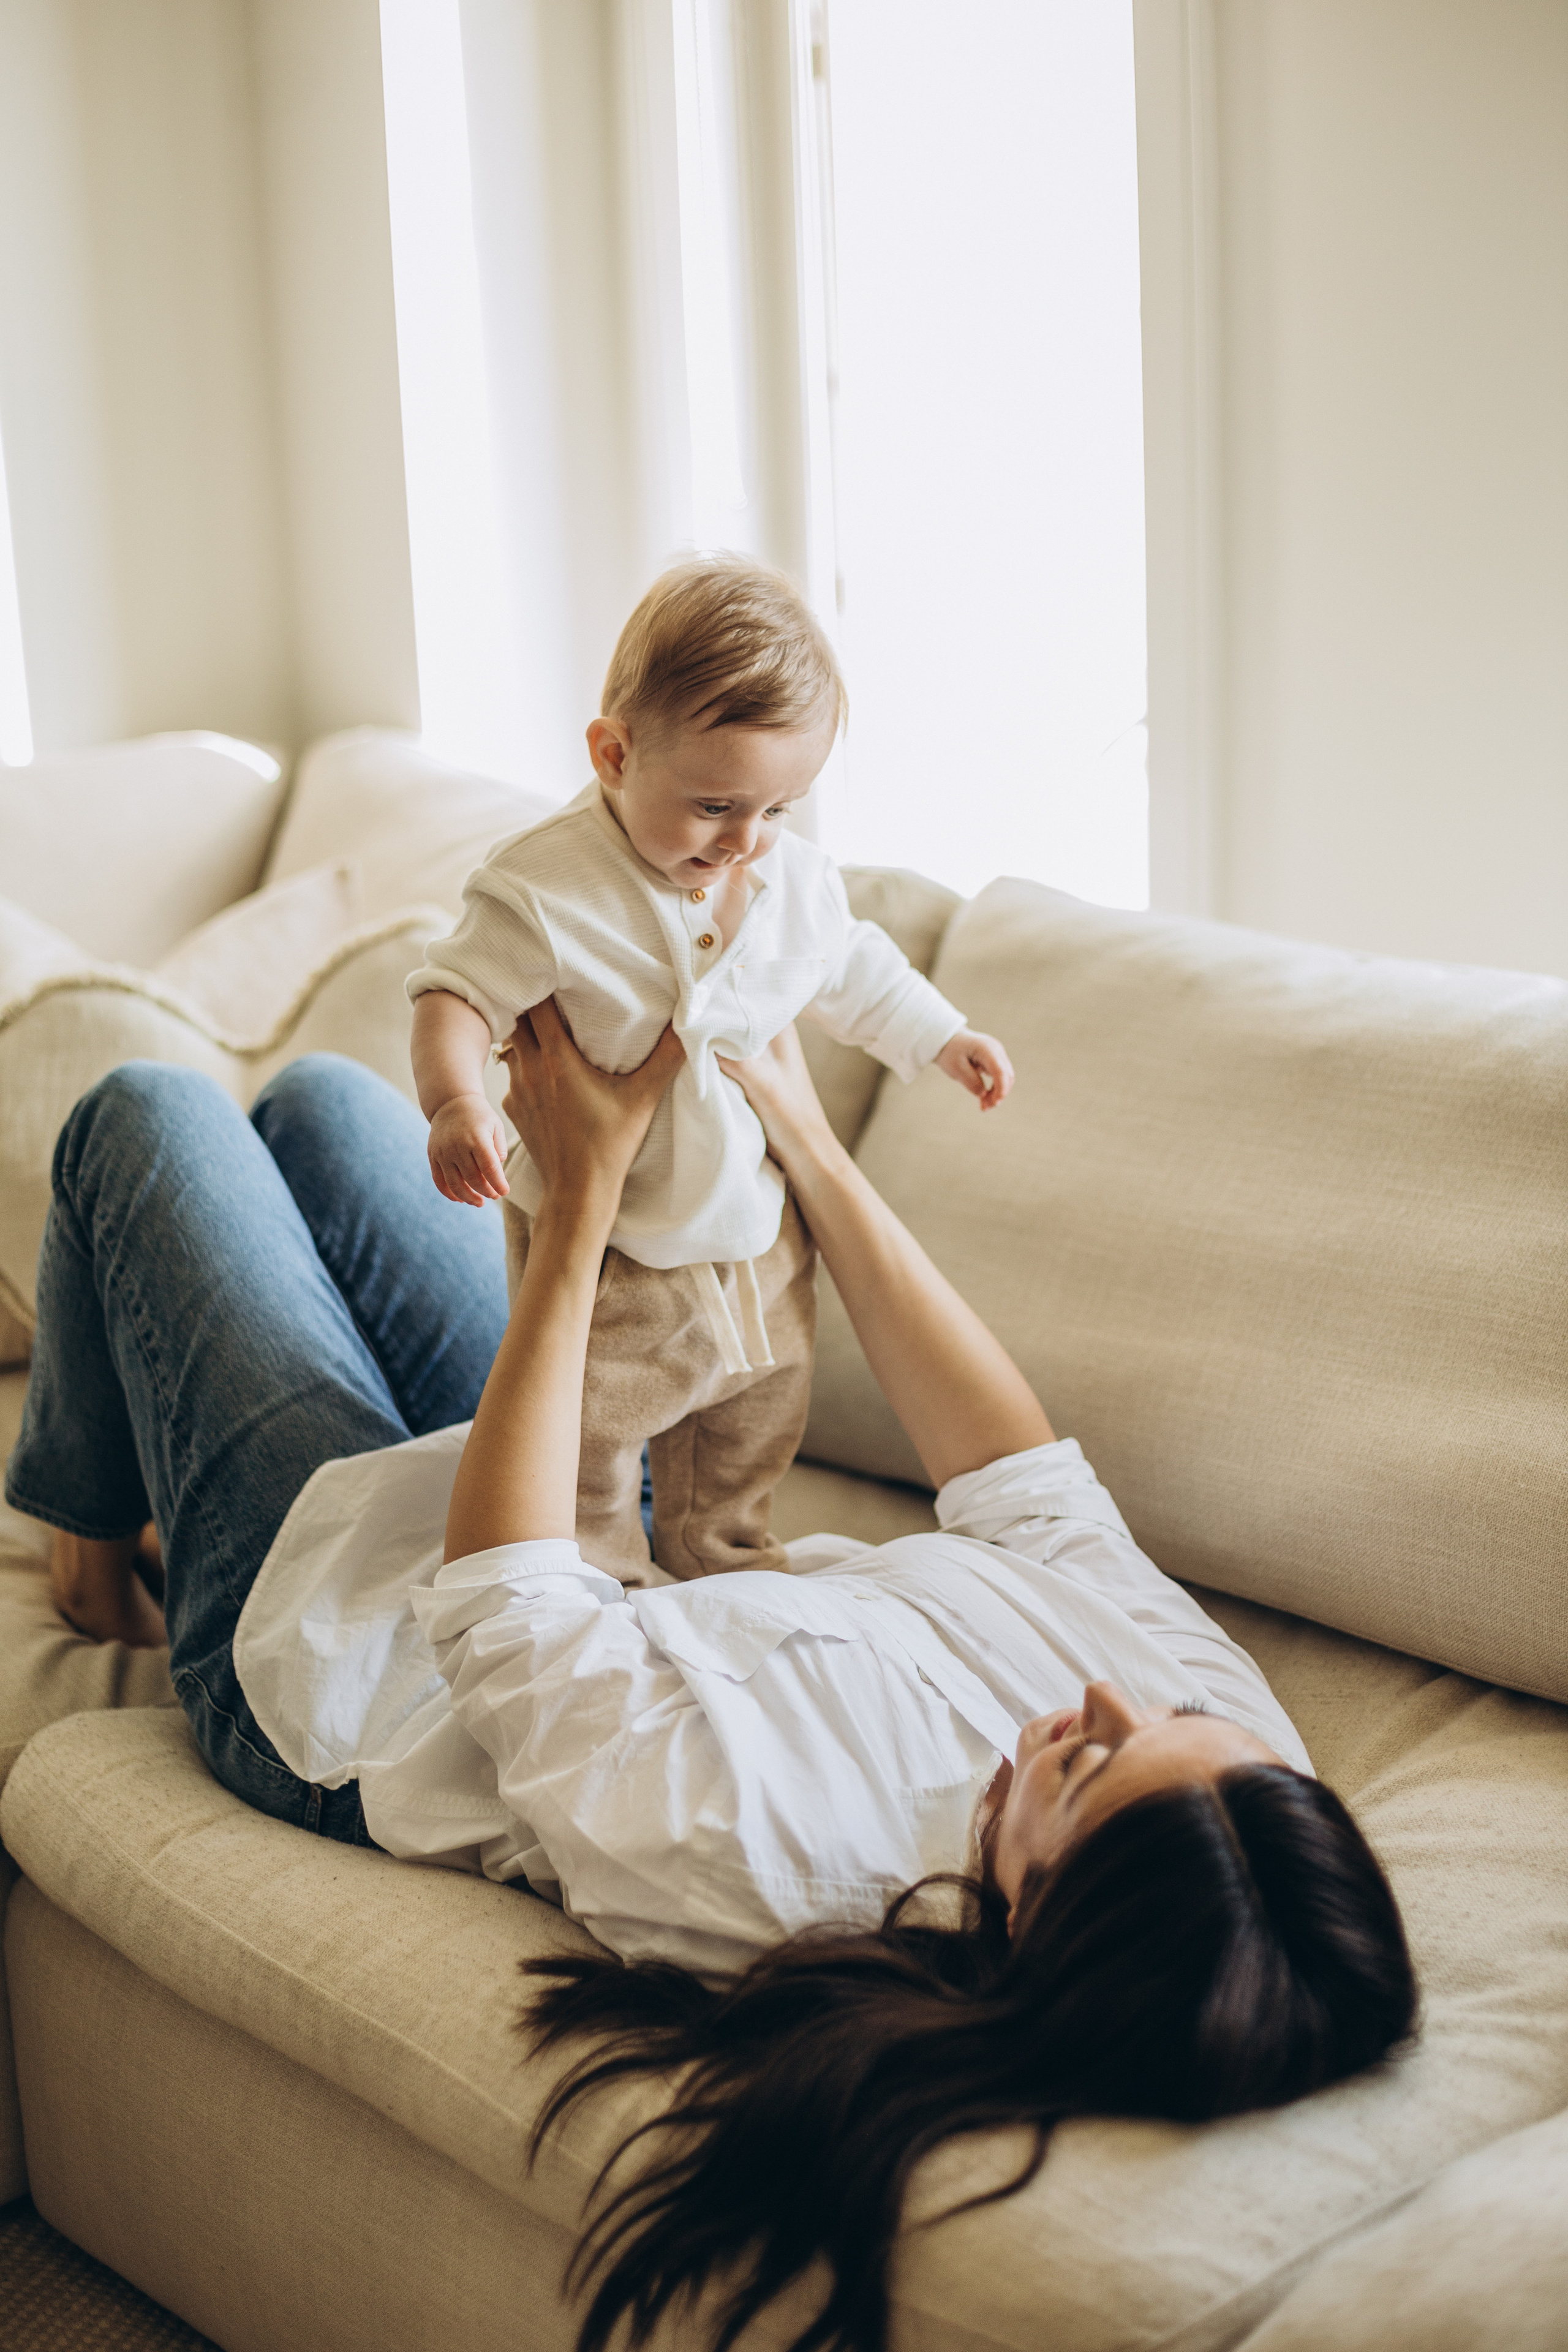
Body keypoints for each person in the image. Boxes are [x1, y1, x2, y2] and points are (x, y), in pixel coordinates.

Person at [6, 1027, 1416, 2352]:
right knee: (324, 1105)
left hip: (361, 1655)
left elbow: (503, 1604)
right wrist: (806, 1136)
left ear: (1029, 1910)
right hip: (590, 1518)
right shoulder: (1238, 1780)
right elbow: (1022, 1484)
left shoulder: (778, 1861)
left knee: (147, 1117)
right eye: (1171, 1724)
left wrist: (584, 1203)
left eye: (1084, 1768)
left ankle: (89, 1549)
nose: (1109, 1699)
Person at [406, 552, 1012, 1586]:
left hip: (758, 1236)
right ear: (614, 754)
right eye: (716, 806)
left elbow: (853, 967)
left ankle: (720, 1558)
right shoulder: (546, 887)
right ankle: (602, 1577)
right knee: (591, 1438)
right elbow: (453, 997)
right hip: (615, 1255)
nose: (745, 841)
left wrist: (942, 1037)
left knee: (752, 1425)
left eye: (779, 810)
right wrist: (457, 1100)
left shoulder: (789, 880)